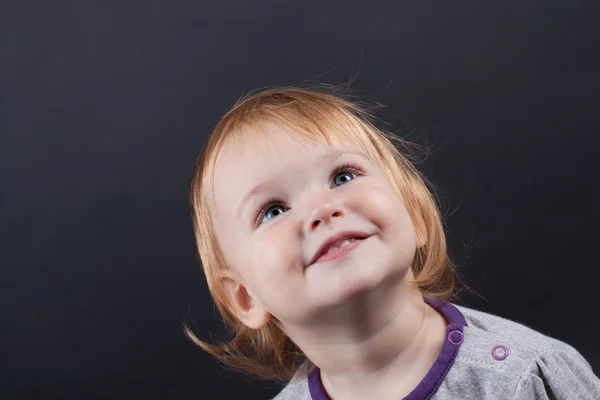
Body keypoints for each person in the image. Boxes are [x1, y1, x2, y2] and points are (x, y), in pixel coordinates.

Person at [185, 85, 600, 399]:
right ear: (245, 298)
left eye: (343, 176)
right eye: (273, 209)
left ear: (415, 214)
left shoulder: (524, 377)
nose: (322, 209)